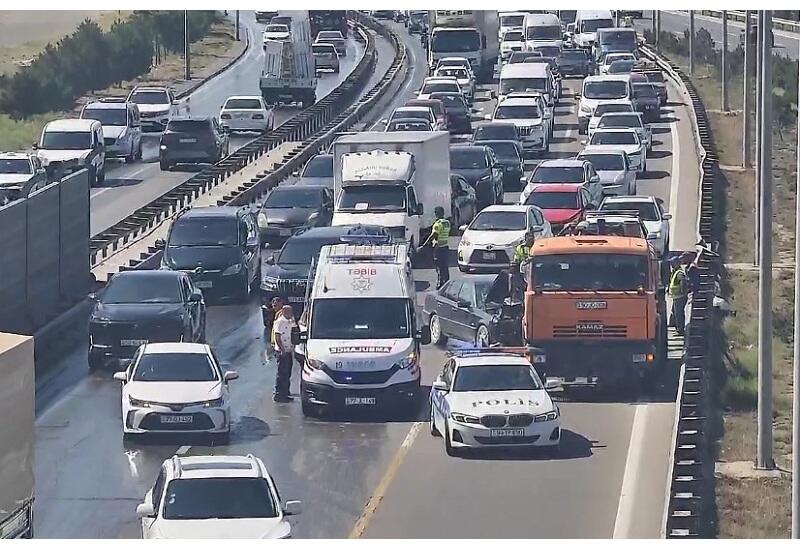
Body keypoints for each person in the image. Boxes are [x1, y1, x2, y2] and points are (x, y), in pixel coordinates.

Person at [271, 304, 297, 402]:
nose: (291, 314)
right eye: (289, 312)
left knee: (288, 373)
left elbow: (294, 331)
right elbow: (277, 337)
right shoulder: (279, 322)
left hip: (289, 350)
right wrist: (282, 350)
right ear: (284, 312)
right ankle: (279, 394)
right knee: (282, 373)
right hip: (282, 352)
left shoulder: (291, 320)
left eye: (291, 312)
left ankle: (286, 392)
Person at [422, 206, 451, 288]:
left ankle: (440, 282)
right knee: (445, 266)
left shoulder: (438, 224)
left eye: (435, 212)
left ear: (437, 213)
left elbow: (434, 235)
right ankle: (447, 282)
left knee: (438, 266)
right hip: (445, 246)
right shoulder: (447, 223)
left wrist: (424, 245)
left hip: (438, 248)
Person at [668, 253, 691, 336]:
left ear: (677, 263)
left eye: (672, 263)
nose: (671, 265)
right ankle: (677, 327)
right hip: (676, 296)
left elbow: (683, 282)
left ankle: (680, 330)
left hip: (680, 297)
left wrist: (682, 292)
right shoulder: (675, 272)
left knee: (679, 314)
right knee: (676, 313)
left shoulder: (679, 272)